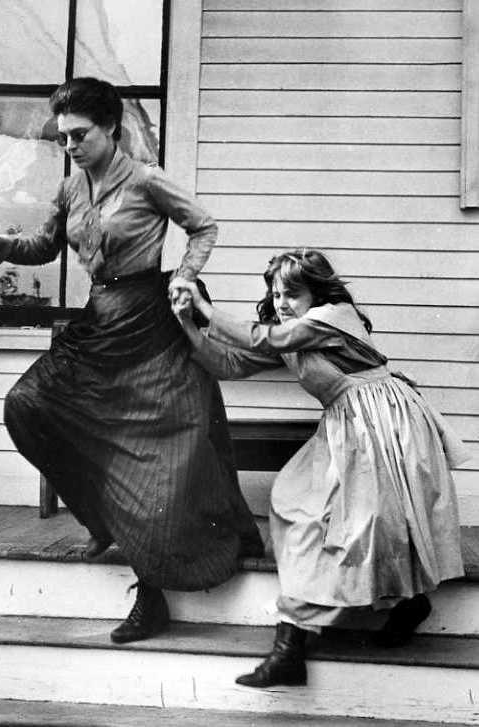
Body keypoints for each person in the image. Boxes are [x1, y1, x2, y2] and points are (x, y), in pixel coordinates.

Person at [0, 76, 263, 645]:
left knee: (151, 460)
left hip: (150, 325)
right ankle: (100, 519)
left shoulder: (148, 181)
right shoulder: (69, 189)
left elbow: (203, 226)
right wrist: (3, 246)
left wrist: (184, 276)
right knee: (26, 405)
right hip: (99, 323)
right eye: (63, 138)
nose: (71, 146)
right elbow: (46, 246)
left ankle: (149, 600)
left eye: (79, 135)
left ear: (111, 128)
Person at [170, 248, 467, 687]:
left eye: (293, 292)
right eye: (275, 294)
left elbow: (260, 339)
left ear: (317, 291)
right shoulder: (293, 334)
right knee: (298, 504)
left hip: (384, 423)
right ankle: (309, 639)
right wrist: (185, 323)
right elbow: (231, 363)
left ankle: (321, 636)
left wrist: (204, 306)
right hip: (350, 425)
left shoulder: (334, 316)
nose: (282, 302)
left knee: (363, 522)